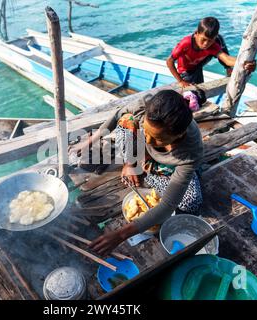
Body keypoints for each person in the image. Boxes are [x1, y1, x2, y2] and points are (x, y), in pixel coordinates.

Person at [69, 90, 204, 256]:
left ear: (180, 134)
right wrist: (87, 143)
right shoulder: (151, 104)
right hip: (141, 155)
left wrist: (120, 235)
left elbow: (168, 205)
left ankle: (149, 172)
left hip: (167, 167)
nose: (148, 140)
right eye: (146, 132)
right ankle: (133, 165)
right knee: (126, 121)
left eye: (157, 139)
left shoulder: (191, 152)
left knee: (191, 203)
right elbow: (117, 115)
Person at [166, 17, 257, 87]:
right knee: (195, 94)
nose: (206, 44)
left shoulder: (213, 44)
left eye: (210, 40)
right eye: (203, 39)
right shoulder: (186, 43)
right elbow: (169, 61)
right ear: (196, 33)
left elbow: (226, 59)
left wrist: (245, 62)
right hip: (186, 71)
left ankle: (228, 69)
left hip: (199, 63)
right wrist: (181, 81)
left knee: (219, 40)